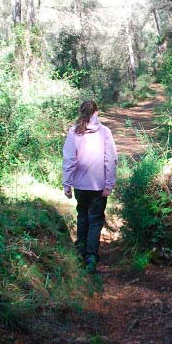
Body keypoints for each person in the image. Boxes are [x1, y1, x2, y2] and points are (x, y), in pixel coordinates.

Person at [62, 100, 117, 274]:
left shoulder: (74, 132)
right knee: (95, 220)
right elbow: (111, 160)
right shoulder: (105, 132)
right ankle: (91, 258)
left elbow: (69, 160)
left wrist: (67, 183)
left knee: (82, 216)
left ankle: (81, 253)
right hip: (99, 186)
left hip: (80, 185)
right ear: (96, 112)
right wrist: (109, 184)